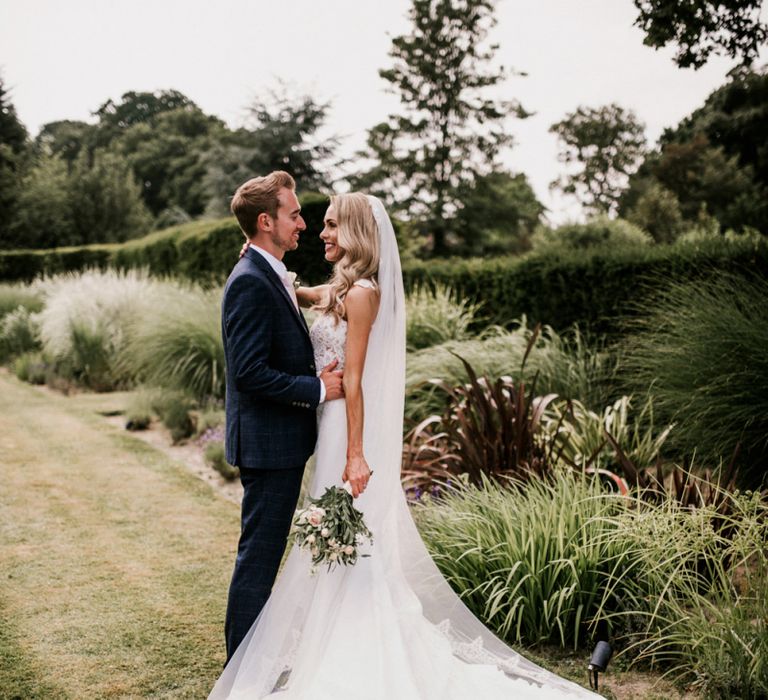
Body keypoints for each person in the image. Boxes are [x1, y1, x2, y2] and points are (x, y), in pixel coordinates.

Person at [211, 192, 599, 698]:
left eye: (330, 225)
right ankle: (293, 652)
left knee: (345, 540)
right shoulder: (342, 287)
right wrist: (282, 279)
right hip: (324, 432)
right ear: (267, 223)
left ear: (355, 232)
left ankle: (349, 648)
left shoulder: (363, 293)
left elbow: (354, 379)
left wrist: (354, 452)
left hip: (344, 433)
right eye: (311, 221)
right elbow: (315, 297)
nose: (318, 231)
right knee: (324, 542)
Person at [220, 171, 344, 663]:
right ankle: (240, 669)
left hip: (279, 444)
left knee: (262, 556)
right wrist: (318, 388)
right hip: (268, 447)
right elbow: (249, 372)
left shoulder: (269, 273)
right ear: (266, 220)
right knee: (259, 559)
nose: (303, 223)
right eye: (294, 214)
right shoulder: (249, 282)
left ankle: (248, 663)